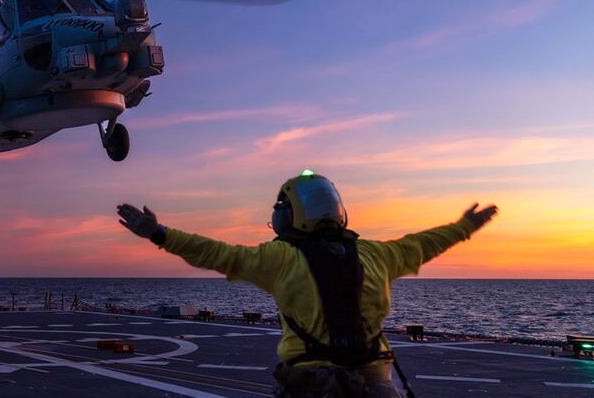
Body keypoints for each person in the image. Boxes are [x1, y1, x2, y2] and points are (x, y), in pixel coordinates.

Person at [117, 170, 498, 398]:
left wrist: (160, 234)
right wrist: (465, 227)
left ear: (287, 215)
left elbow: (218, 254)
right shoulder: (378, 254)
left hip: (311, 385)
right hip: (376, 382)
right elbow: (425, 243)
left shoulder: (279, 259)